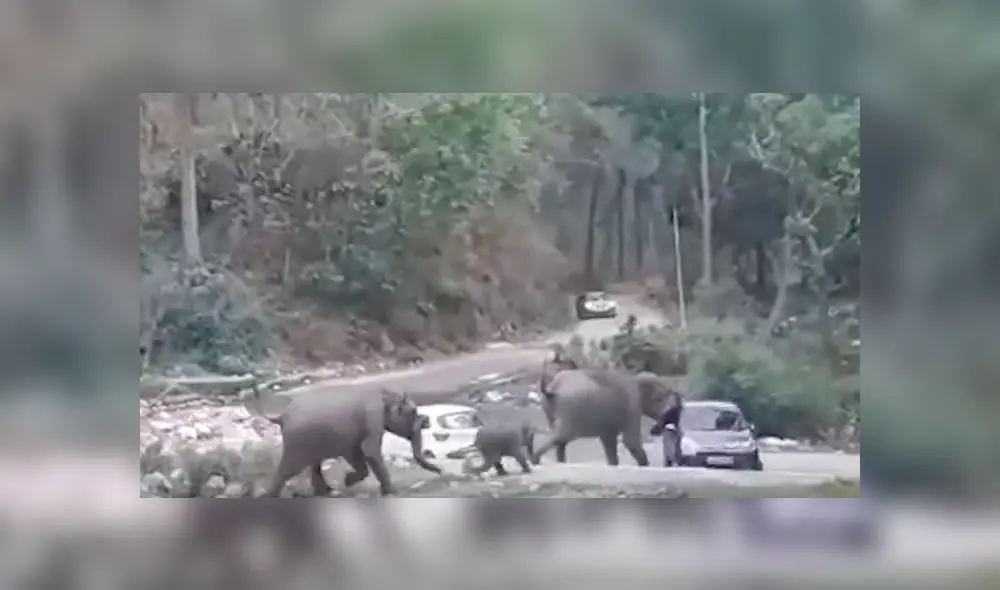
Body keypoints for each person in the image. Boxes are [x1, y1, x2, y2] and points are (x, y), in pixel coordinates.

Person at [650, 399, 683, 467]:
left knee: (670, 447)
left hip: (670, 430)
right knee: (672, 447)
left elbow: (663, 421)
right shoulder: (676, 411)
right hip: (672, 430)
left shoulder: (671, 411)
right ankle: (673, 461)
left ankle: (671, 461)